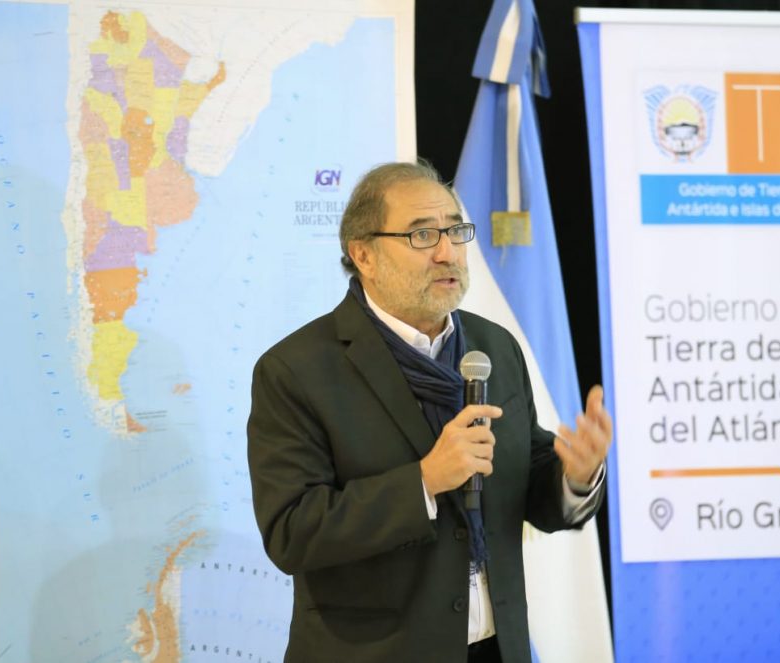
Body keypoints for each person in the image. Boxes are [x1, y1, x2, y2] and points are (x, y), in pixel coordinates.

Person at [247, 160, 612, 662]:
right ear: (363, 254)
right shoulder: (297, 370)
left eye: (455, 231)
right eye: (422, 235)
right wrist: (424, 481)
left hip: (496, 649)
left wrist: (574, 475)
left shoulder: (492, 346)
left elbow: (523, 478)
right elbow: (292, 532)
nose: (447, 252)